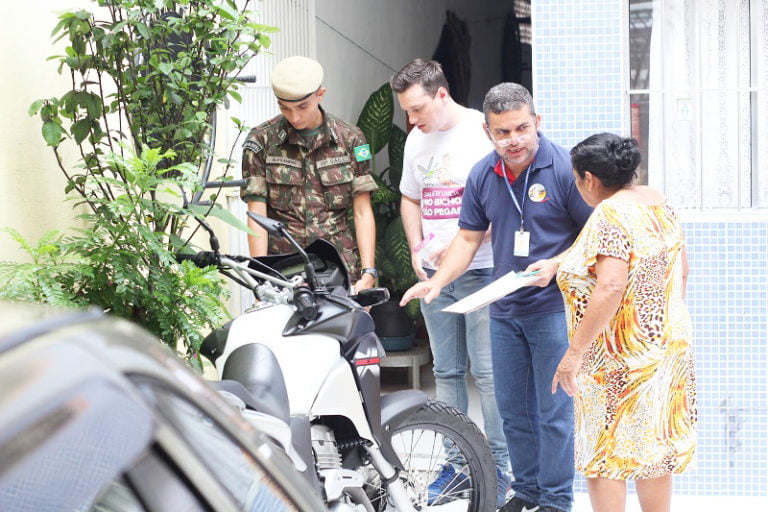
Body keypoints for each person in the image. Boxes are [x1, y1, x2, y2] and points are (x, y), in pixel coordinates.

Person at [401, 82, 593, 512]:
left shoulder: (564, 168)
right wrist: (437, 279)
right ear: (487, 132)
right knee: (513, 411)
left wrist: (558, 264)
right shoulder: (484, 174)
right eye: (503, 132)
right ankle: (525, 492)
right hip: (504, 309)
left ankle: (557, 501)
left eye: (522, 128)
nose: (514, 140)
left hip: (553, 310)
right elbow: (468, 239)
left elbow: (595, 235)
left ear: (536, 122)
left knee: (553, 412)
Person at [532, 133, 697, 512]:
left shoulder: (609, 212)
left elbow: (610, 285)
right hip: (665, 349)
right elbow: (682, 271)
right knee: (655, 447)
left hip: (616, 358)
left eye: (576, 179)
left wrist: (574, 354)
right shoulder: (658, 201)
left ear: (589, 178)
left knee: (604, 454)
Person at [390, 58, 510, 508]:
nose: (413, 119)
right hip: (432, 279)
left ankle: (497, 467)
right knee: (445, 372)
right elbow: (409, 197)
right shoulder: (415, 140)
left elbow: (504, 204)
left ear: (442, 94)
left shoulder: (482, 131)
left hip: (481, 269)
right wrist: (418, 243)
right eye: (406, 111)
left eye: (418, 108)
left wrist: (456, 246)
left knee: (489, 373)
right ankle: (458, 466)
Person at [240, 56, 378, 290]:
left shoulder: (352, 139)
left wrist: (368, 272)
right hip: (284, 270)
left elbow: (363, 211)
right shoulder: (261, 141)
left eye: (302, 106)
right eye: (285, 108)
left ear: (320, 94)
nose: (295, 117)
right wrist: (261, 281)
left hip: (340, 268)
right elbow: (256, 216)